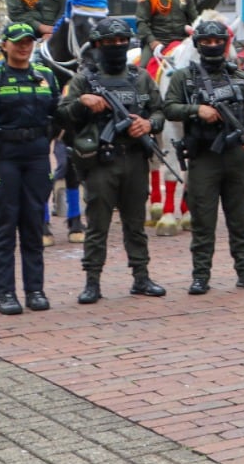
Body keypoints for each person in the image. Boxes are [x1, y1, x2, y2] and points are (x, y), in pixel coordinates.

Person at [57, 17, 168, 303]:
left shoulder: (140, 76)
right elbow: (61, 113)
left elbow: (159, 111)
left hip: (134, 159)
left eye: (122, 42)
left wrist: (148, 124)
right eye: (109, 42)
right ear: (97, 45)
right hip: (100, 162)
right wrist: (83, 102)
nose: (116, 47)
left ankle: (141, 277)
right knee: (97, 224)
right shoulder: (84, 79)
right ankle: (92, 281)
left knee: (135, 222)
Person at [164, 20, 244, 295]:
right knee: (203, 222)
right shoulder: (182, 78)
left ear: (225, 43)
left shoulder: (241, 77)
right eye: (206, 42)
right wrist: (197, 110)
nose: (212, 46)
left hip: (236, 157)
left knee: (239, 220)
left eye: (217, 41)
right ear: (197, 44)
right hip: (203, 158)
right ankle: (201, 277)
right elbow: (168, 108)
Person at [0, 22, 60, 314]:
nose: (24, 46)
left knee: (34, 224)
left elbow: (57, 114)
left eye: (29, 41)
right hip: (4, 158)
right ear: (5, 45)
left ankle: (35, 290)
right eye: (17, 41)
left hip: (36, 156)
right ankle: (5, 294)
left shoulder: (45, 76)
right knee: (5, 226)